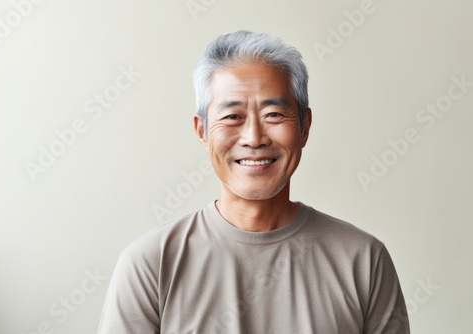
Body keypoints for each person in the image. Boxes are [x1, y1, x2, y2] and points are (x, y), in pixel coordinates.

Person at [97, 30, 410, 334]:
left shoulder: (363, 260)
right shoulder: (151, 264)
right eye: (232, 117)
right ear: (203, 132)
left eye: (273, 114)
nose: (254, 138)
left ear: (304, 127)